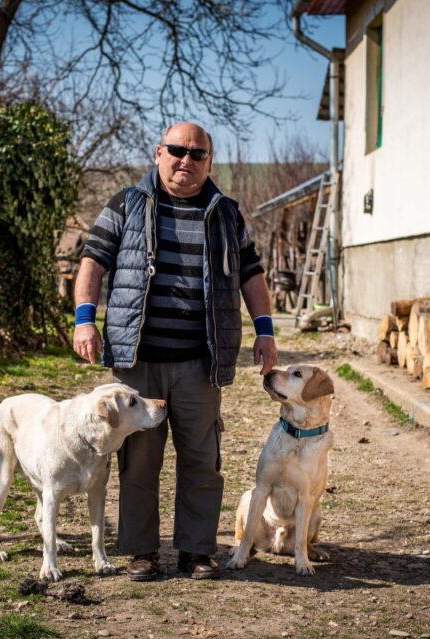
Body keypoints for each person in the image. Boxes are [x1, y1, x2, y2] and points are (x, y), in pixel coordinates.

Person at [72, 121, 278, 581]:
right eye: (177, 150)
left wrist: (265, 330)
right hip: (138, 361)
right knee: (139, 461)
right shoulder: (126, 203)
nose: (186, 160)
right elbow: (92, 261)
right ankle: (143, 551)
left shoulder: (225, 212)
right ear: (158, 152)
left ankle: (196, 551)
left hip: (199, 362)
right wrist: (84, 319)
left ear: (209, 161)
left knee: (203, 460)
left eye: (197, 154)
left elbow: (251, 273)